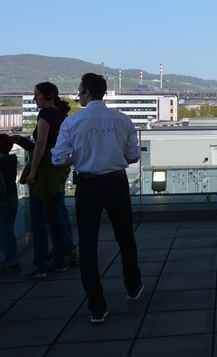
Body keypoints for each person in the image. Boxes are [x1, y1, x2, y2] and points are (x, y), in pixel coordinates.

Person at [51, 73, 143, 324]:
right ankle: (133, 286)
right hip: (116, 182)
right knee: (125, 237)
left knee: (89, 246)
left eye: (79, 92)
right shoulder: (123, 120)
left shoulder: (72, 122)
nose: (78, 96)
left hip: (88, 186)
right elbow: (133, 156)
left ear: (88, 93)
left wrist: (78, 157)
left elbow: (58, 158)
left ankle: (97, 306)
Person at [12, 82, 75, 278]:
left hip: (44, 173)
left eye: (36, 95)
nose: (34, 99)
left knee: (38, 219)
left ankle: (41, 264)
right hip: (57, 170)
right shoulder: (61, 115)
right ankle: (65, 255)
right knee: (58, 214)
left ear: (47, 96)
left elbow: (40, 145)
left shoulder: (46, 115)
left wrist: (32, 173)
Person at [0, 134, 20, 273]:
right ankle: (11, 259)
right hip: (13, 197)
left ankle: (9, 260)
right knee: (8, 229)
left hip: (3, 198)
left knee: (4, 230)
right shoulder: (12, 159)